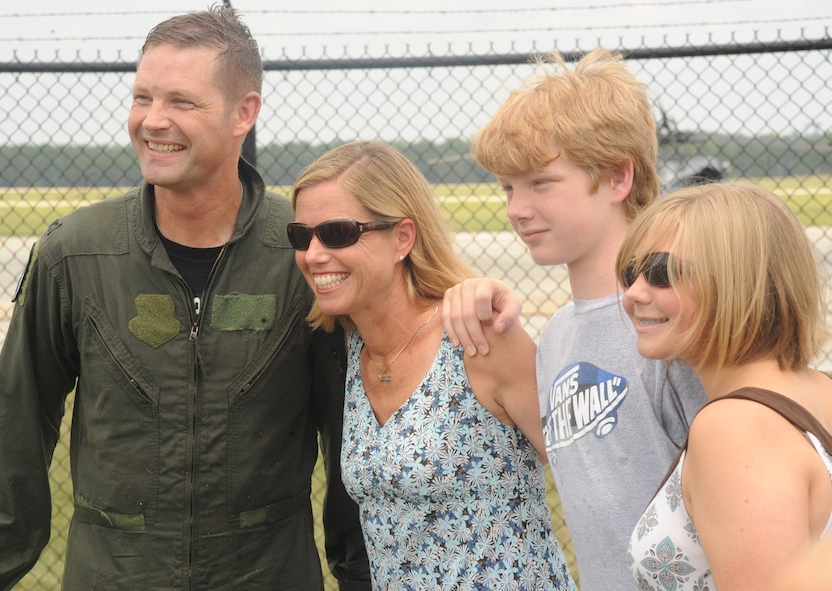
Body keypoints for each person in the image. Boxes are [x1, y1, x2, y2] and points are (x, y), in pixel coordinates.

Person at [0, 7, 370, 591]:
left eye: (182, 102)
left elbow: (352, 435)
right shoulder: (74, 255)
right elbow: (17, 434)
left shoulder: (304, 253)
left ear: (242, 113)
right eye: (142, 97)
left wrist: (362, 577)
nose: (153, 121)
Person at [441, 49, 707, 590]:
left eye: (540, 183)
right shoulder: (559, 334)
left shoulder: (672, 321)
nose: (516, 207)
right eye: (507, 187)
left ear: (616, 177)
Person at [289, 141, 577, 590]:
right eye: (300, 236)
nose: (313, 254)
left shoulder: (478, 339)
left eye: (337, 232)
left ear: (403, 237)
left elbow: (590, 479)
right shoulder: (346, 352)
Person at [622, 182, 832, 591]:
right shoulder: (817, 390)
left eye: (662, 272)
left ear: (738, 281)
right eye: (631, 272)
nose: (633, 293)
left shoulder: (735, 428)